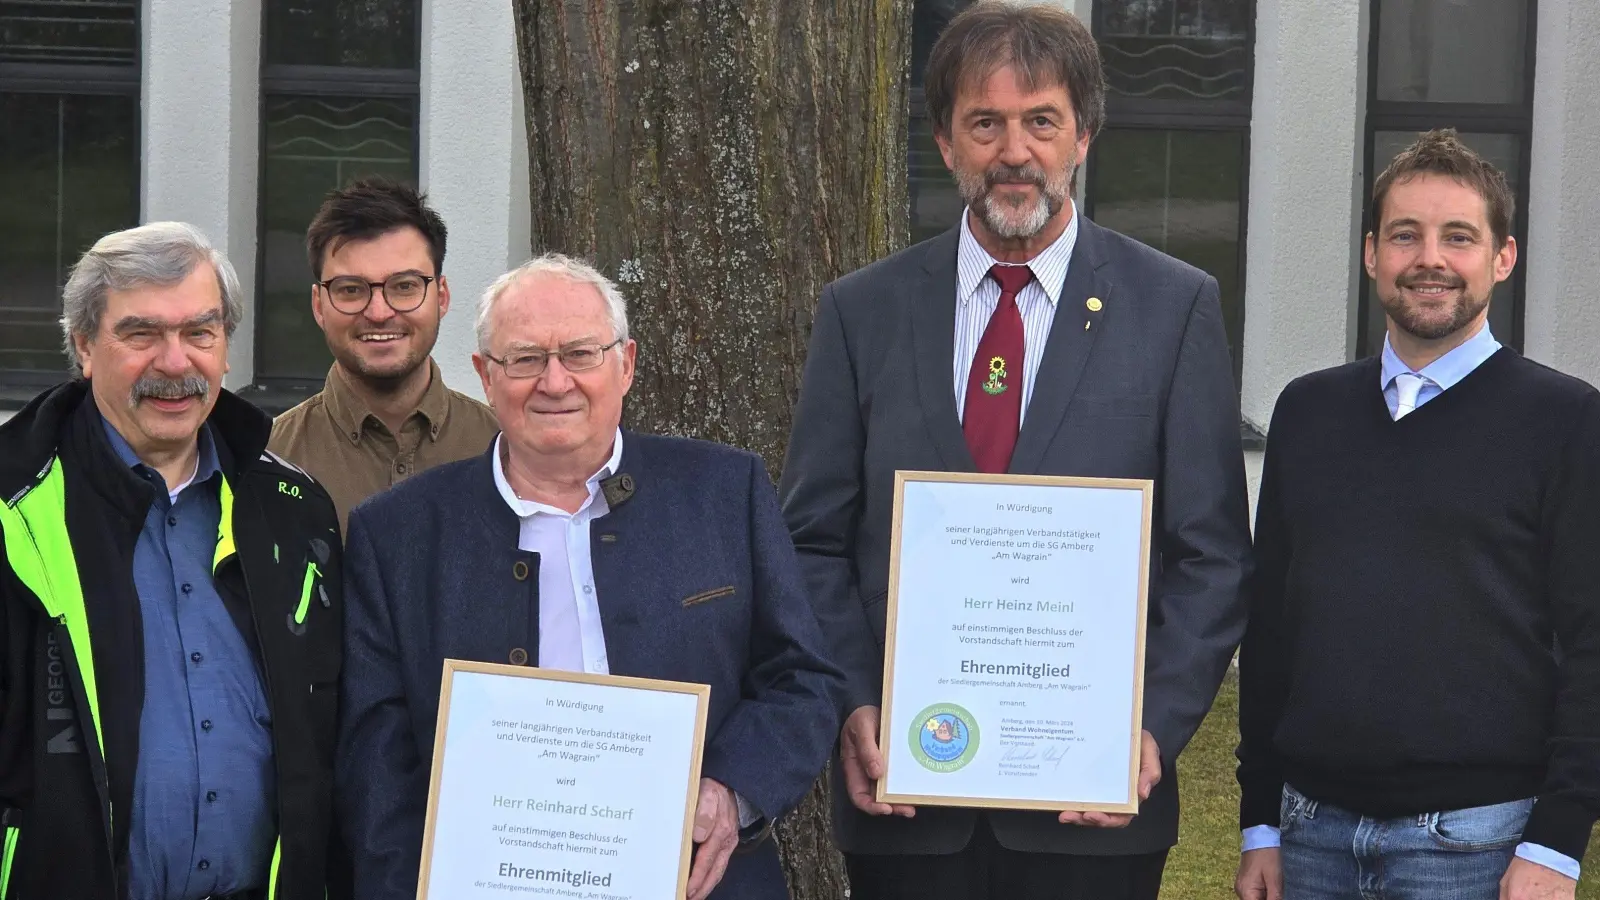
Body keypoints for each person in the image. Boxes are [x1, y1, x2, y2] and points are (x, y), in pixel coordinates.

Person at [778, 2, 1252, 898]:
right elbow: (812, 538)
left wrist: (1147, 727)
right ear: (945, 142)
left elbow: (1213, 554)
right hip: (909, 802)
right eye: (984, 122)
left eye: (1042, 120)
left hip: (1094, 813)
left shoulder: (1173, 307)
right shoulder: (863, 311)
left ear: (1084, 135)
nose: (1014, 150)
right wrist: (856, 704)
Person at [335, 254, 844, 900]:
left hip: (694, 883)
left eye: (580, 354)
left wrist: (730, 789)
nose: (554, 382)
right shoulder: (399, 533)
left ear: (625, 364)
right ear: (486, 377)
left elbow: (803, 678)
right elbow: (377, 758)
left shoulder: (722, 491)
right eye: (524, 359)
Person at [1234, 129, 1600, 900]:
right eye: (1406, 235)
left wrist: (1559, 843)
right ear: (1373, 254)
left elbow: (1595, 641)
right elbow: (1271, 627)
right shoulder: (1308, 412)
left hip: (1478, 845)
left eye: (1458, 237)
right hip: (1310, 838)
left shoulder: (1566, 422)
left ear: (1503, 258)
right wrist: (1259, 820)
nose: (1429, 258)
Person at [0, 222, 343, 899]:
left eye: (199, 333)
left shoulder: (293, 507)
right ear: (83, 347)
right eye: (141, 334)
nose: (175, 363)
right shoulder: (14, 508)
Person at [268, 176, 499, 533]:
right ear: (318, 305)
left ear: (441, 296)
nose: (378, 311)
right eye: (350, 289)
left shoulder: (502, 449)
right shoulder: (271, 461)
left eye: (404, 286)